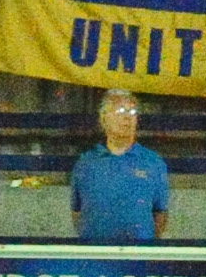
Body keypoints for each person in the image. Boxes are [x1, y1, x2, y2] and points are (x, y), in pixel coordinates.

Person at [70, 89, 170, 244]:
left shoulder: (153, 163)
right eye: (120, 111)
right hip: (95, 252)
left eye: (132, 112)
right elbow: (77, 212)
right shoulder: (86, 163)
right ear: (104, 118)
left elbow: (160, 214)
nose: (127, 117)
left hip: (139, 253)